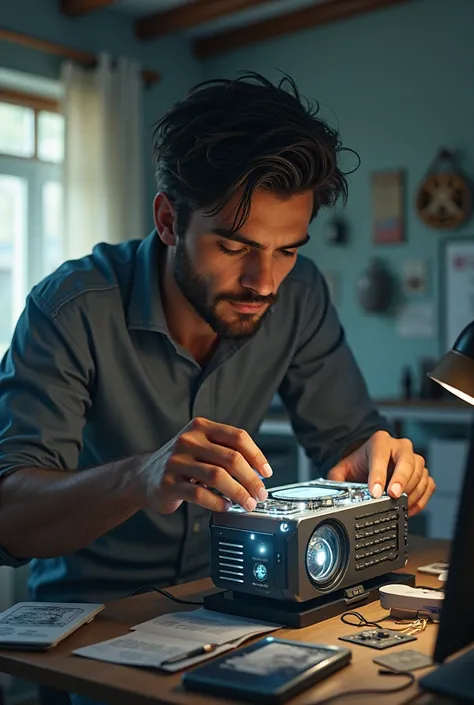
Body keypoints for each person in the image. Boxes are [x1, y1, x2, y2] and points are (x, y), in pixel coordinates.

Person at [0, 71, 434, 669]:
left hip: (238, 608)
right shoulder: (70, 308)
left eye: (288, 249)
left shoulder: (298, 293)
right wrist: (138, 479)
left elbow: (349, 442)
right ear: (169, 221)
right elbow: (11, 520)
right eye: (234, 248)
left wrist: (377, 458)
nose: (265, 282)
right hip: (96, 624)